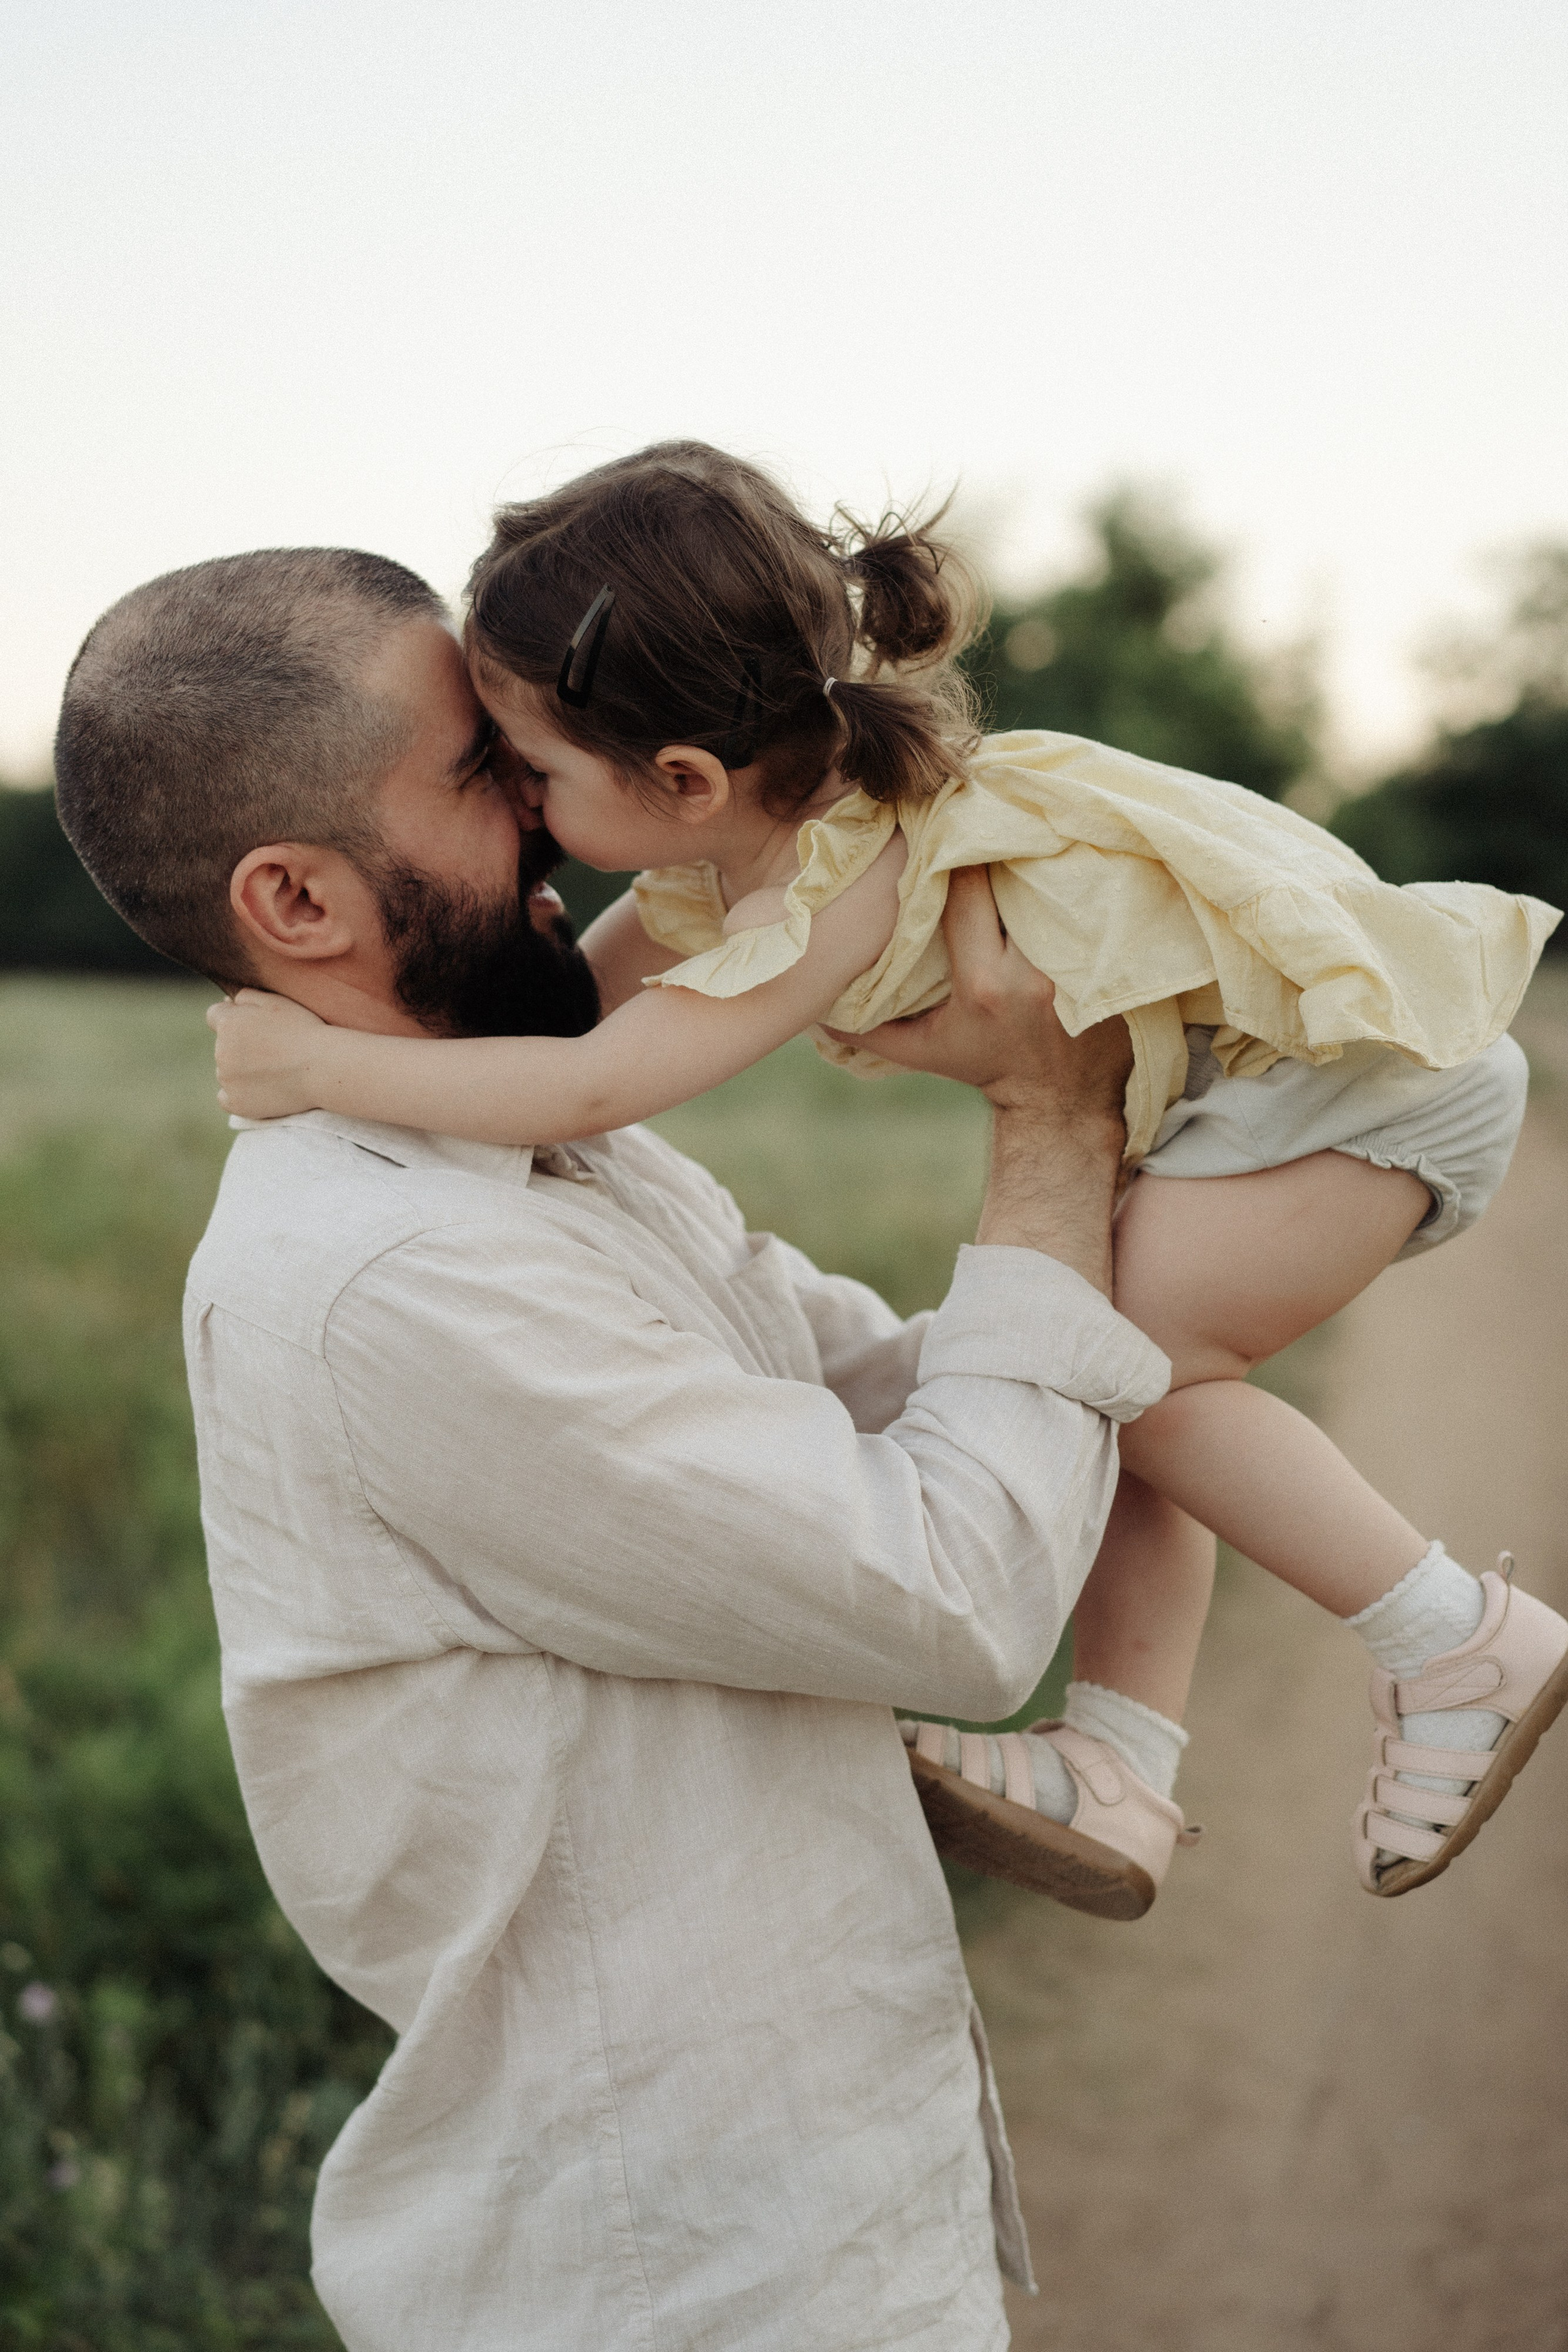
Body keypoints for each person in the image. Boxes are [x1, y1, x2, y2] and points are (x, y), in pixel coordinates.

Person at [52, 544, 1171, 2350]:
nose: (561, 805)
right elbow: (956, 1592)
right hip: (669, 2276)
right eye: (487, 771)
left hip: (787, 2215)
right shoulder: (394, 1276)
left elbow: (895, 1393)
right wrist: (1049, 1125)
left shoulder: (552, 1157)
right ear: (300, 898)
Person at [209, 443, 1568, 1923]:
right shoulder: (717, 854)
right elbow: (572, 1031)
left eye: (530, 773)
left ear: (681, 779)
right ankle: (1114, 1767)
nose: (527, 814)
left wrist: (311, 1070)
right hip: (1278, 1095)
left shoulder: (835, 870)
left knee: (1144, 1370)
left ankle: (1452, 1637)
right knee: (1104, 1369)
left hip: (1346, 1079)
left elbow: (598, 1088)